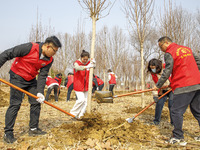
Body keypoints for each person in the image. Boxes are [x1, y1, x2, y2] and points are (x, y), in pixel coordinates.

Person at [0, 36, 62, 143]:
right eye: (54, 51)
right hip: (17, 77)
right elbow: (7, 53)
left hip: (31, 79)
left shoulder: (49, 60)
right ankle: (8, 133)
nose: (55, 54)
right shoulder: (29, 47)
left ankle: (33, 129)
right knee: (15, 104)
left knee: (36, 101)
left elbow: (42, 76)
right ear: (48, 47)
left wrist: (40, 92)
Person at [155, 36, 200, 145]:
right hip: (197, 83)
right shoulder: (186, 49)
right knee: (197, 110)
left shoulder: (170, 52)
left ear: (166, 42)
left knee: (176, 111)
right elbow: (198, 61)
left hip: (184, 85)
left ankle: (178, 137)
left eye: (161, 46)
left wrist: (158, 85)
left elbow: (167, 71)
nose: (161, 49)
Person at [70, 50, 95, 119]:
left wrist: (93, 64)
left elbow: (93, 67)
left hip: (87, 86)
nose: (85, 60)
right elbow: (77, 68)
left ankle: (81, 115)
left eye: (87, 59)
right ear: (81, 58)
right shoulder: (76, 63)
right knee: (81, 100)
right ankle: (73, 113)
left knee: (86, 102)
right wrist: (86, 67)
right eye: (84, 59)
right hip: (78, 85)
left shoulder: (89, 63)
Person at [147, 58, 173, 125]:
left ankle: (173, 122)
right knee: (159, 104)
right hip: (162, 90)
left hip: (172, 89)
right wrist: (155, 95)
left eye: (154, 67)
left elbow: (174, 75)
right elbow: (155, 84)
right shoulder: (153, 73)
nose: (153, 69)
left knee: (171, 104)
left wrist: (172, 84)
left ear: (158, 66)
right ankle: (156, 121)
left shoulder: (166, 67)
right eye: (151, 68)